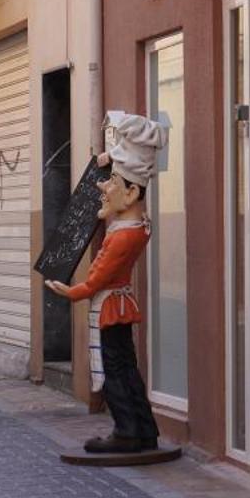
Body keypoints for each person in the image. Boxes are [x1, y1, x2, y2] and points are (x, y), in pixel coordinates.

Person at [45, 113, 165, 454]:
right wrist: (107, 158)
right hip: (120, 305)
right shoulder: (137, 225)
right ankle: (143, 428)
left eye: (111, 182)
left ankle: (127, 430)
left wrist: (74, 292)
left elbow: (100, 276)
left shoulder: (122, 238)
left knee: (115, 369)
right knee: (127, 366)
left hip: (110, 307)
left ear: (130, 194)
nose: (103, 187)